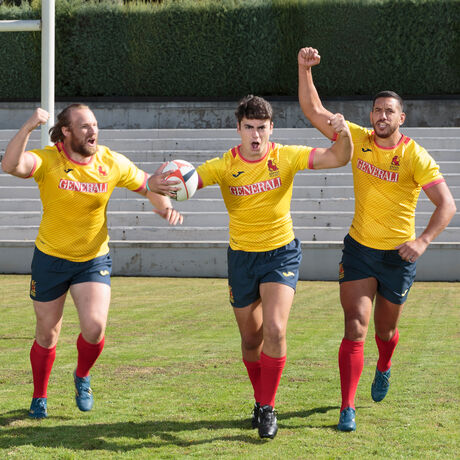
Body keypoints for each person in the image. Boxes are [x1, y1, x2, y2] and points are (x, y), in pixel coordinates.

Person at [297, 47, 457, 432]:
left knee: (385, 332)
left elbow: (447, 204)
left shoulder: (415, 156)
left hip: (398, 258)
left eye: (390, 111)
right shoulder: (357, 139)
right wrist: (305, 70)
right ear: (371, 116)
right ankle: (347, 407)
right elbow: (313, 111)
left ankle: (384, 365)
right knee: (356, 326)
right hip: (359, 251)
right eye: (377, 110)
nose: (382, 116)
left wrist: (422, 242)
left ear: (402, 118)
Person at [1, 104, 183, 419]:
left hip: (92, 258)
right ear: (67, 131)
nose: (93, 131)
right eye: (84, 126)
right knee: (47, 333)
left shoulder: (110, 161)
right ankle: (39, 396)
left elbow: (146, 183)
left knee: (95, 328)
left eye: (95, 125)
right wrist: (29, 126)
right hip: (50, 259)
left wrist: (164, 205)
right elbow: (10, 164)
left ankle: (82, 376)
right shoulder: (48, 160)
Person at [194, 95, 353, 439]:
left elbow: (340, 157)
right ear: (238, 129)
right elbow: (189, 181)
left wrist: (344, 134)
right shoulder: (223, 165)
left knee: (275, 329)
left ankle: (267, 407)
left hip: (281, 254)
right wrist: (166, 186)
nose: (255, 135)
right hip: (242, 258)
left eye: (261, 128)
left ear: (271, 129)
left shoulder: (285, 156)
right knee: (251, 339)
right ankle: (259, 400)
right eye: (248, 127)